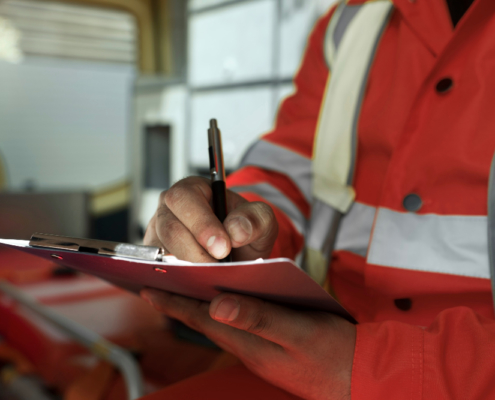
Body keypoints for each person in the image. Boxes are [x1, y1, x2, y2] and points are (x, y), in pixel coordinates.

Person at [140, 0, 495, 398]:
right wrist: (238, 227)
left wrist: (373, 368)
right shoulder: (352, 22)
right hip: (320, 357)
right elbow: (293, 169)